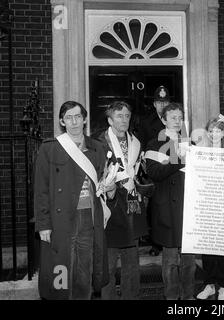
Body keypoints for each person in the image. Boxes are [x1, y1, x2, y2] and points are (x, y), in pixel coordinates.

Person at [34, 101, 111, 300]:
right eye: (69, 117)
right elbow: (41, 189)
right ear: (62, 121)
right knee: (61, 268)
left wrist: (109, 187)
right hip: (62, 219)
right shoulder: (50, 148)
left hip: (88, 217)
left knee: (84, 270)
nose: (74, 121)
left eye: (78, 117)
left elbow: (103, 182)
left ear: (85, 119)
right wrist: (43, 224)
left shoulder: (97, 147)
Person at [145, 102, 195, 300]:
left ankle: (189, 296)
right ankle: (172, 298)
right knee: (170, 259)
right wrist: (178, 161)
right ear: (163, 120)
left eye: (179, 117)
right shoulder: (154, 143)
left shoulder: (190, 143)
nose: (177, 121)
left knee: (189, 260)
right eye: (173, 117)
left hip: (188, 207)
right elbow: (154, 173)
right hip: (166, 207)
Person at [96, 101, 146, 300]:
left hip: (132, 203)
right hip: (110, 204)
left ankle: (131, 296)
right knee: (108, 260)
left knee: (132, 259)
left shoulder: (136, 142)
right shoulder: (99, 142)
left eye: (127, 115)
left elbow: (140, 171)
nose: (124, 120)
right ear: (110, 120)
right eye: (119, 116)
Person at [195, 116, 224, 300]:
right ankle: (210, 284)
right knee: (208, 248)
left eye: (218, 130)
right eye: (211, 130)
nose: (214, 134)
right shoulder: (201, 152)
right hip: (207, 205)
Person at [139, 85, 170, 256]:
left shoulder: (176, 119)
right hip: (153, 169)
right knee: (154, 208)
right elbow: (142, 145)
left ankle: (171, 242)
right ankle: (155, 243)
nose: (162, 105)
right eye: (159, 102)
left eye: (165, 102)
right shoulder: (146, 121)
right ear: (154, 104)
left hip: (171, 168)